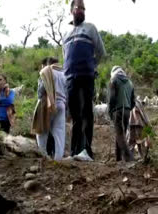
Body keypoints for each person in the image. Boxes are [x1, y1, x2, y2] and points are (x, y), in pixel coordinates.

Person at [63, 0, 106, 159]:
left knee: (87, 112)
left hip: (86, 76)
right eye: (78, 7)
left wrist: (91, 66)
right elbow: (65, 57)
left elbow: (101, 51)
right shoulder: (65, 35)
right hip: (70, 79)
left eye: (83, 8)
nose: (81, 10)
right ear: (71, 10)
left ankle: (87, 151)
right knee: (75, 116)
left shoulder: (90, 28)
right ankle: (74, 152)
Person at [31, 62, 67, 161]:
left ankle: (43, 155)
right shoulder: (64, 73)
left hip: (47, 104)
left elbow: (40, 92)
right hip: (61, 104)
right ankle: (58, 158)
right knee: (59, 133)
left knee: (42, 131)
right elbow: (67, 92)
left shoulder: (46, 72)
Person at [108, 66, 135, 162]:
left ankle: (129, 158)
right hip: (127, 111)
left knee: (120, 134)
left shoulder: (113, 80)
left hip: (117, 110)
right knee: (120, 134)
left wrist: (110, 111)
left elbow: (112, 98)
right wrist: (128, 108)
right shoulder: (130, 82)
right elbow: (133, 101)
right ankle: (118, 158)